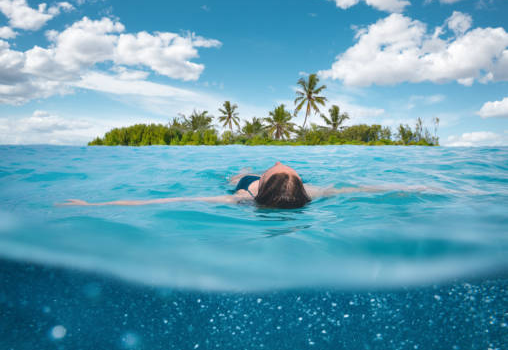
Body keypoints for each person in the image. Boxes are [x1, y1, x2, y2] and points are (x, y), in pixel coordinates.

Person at [60, 161, 371, 209]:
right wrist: (419, 189)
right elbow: (363, 191)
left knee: (237, 175)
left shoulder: (242, 197)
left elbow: (174, 201)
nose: (277, 160)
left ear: (261, 184)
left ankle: (242, 171)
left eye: (274, 167)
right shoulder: (314, 193)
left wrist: (95, 205)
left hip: (244, 183)